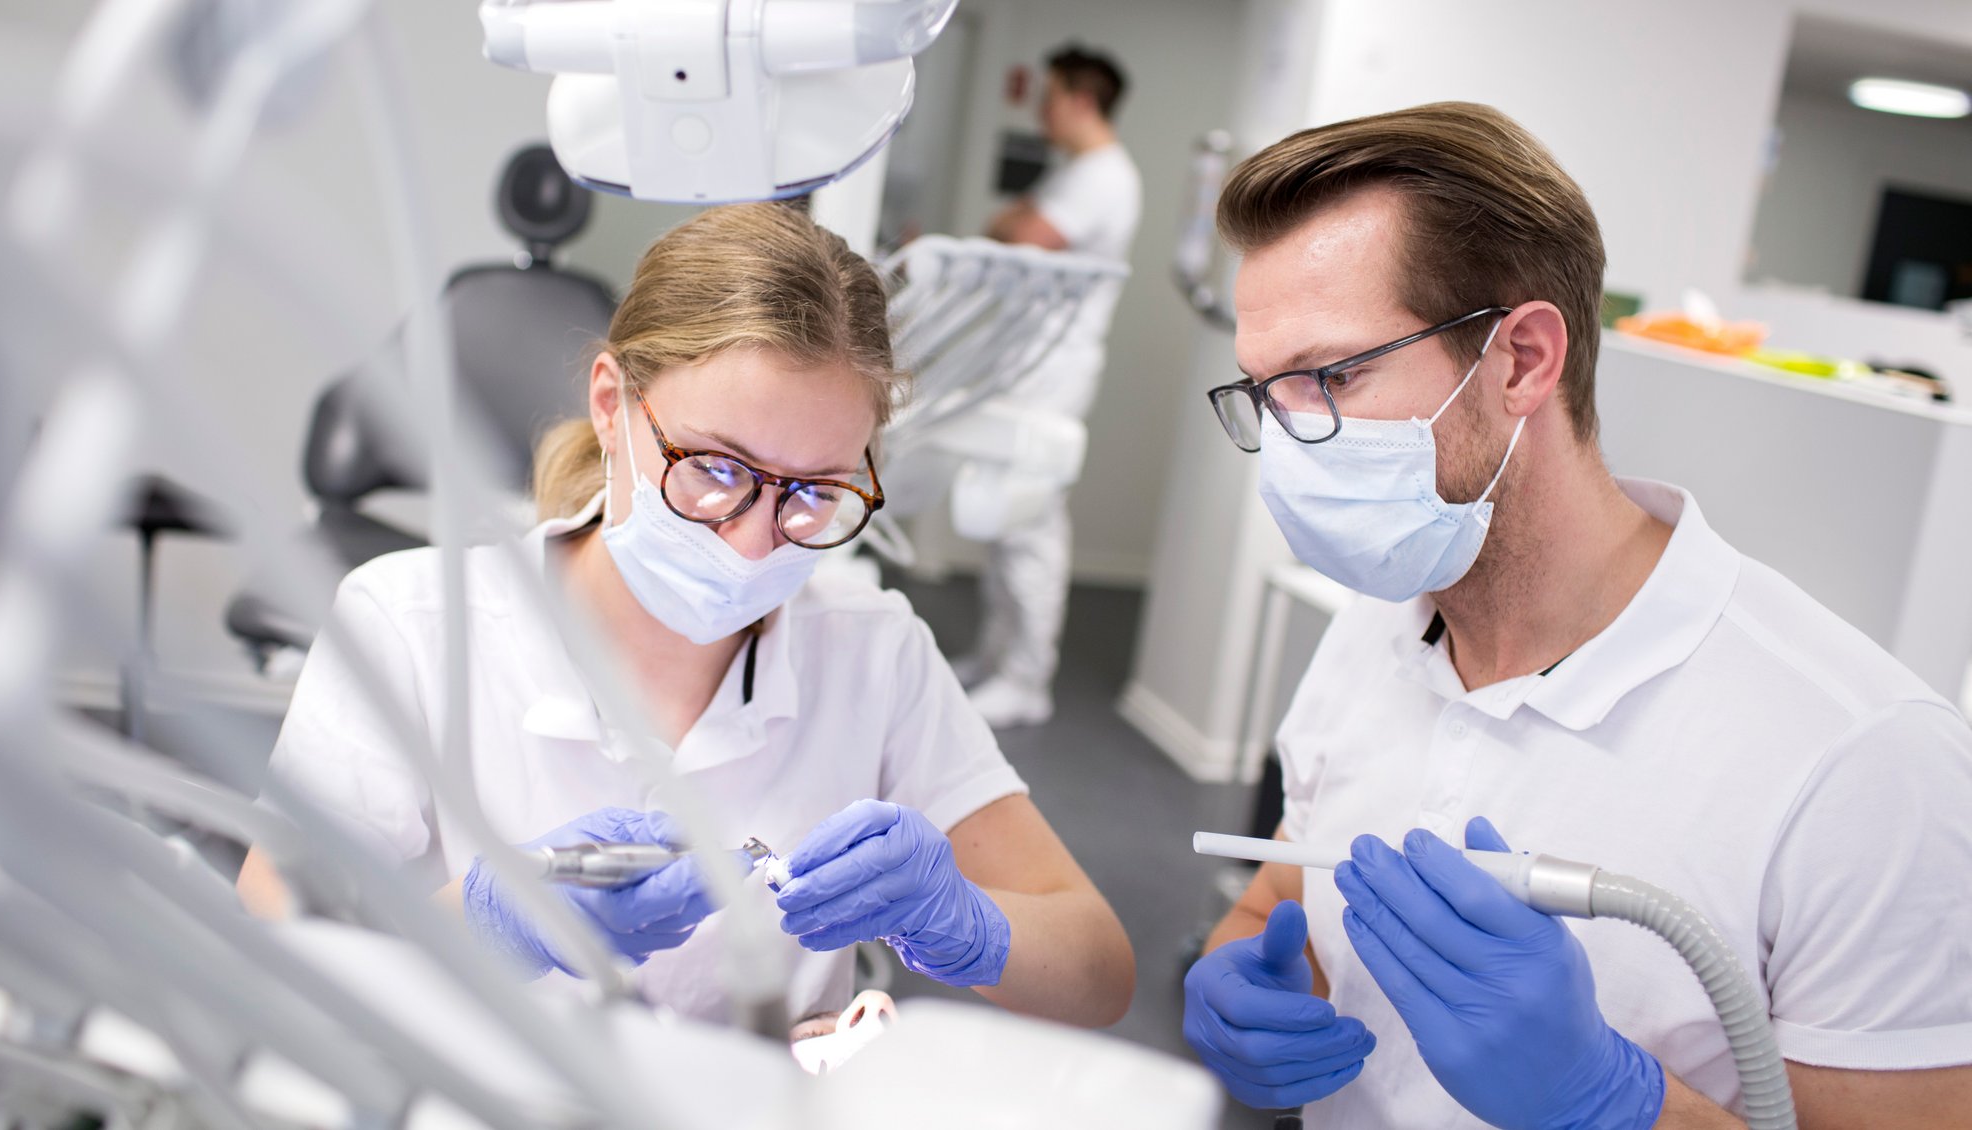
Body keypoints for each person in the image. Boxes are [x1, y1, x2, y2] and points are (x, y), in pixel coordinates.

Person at [1181, 102, 1972, 1127]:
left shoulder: (1862, 761)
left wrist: (1611, 1102)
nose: (1289, 438)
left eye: (1331, 375)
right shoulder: (1374, 627)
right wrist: (1244, 978)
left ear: (1520, 359)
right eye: (1264, 390)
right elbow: (1277, 902)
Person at [236, 203, 1135, 1028]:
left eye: (816, 492)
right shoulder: (408, 623)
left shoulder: (874, 653)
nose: (753, 543)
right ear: (611, 406)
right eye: (713, 468)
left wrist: (966, 925)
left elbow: (1099, 974)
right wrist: (494, 918)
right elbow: (276, 952)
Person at [964, 44, 1142, 728]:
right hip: (1032, 368)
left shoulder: (1102, 177)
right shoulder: (1081, 172)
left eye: (1050, 95)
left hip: (1055, 374)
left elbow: (1024, 233)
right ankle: (997, 655)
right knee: (1003, 512)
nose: (1041, 109)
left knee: (1030, 517)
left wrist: (1011, 217)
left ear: (1079, 100)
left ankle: (1026, 676)